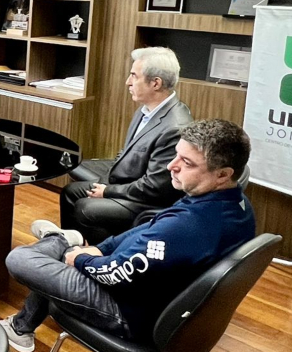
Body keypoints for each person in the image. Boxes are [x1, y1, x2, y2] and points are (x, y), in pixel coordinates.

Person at [0, 119, 256, 352]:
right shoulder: (238, 206)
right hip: (148, 292)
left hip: (128, 312)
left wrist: (79, 260)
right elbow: (150, 227)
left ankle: (62, 241)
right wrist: (101, 248)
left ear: (223, 174)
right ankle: (23, 324)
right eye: (176, 155)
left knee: (21, 259)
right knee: (64, 260)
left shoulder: (188, 227)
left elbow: (116, 273)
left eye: (186, 163)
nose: (171, 166)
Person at [37, 47, 192, 244]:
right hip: (130, 183)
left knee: (85, 207)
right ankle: (69, 246)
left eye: (134, 76)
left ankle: (102, 255)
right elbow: (126, 151)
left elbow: (154, 188)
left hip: (146, 201)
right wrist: (107, 183)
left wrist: (108, 191)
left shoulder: (174, 128)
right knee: (70, 192)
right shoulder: (146, 109)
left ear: (155, 83)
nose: (128, 82)